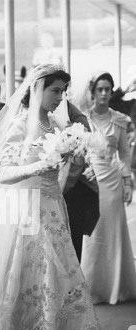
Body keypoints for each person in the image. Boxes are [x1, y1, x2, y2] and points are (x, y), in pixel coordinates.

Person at [0, 64, 118, 330]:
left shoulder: (57, 124)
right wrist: (38, 165)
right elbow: (1, 173)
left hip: (51, 208)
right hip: (26, 212)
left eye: (63, 91)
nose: (59, 97)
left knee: (58, 278)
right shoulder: (20, 124)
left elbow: (60, 176)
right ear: (36, 90)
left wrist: (71, 160)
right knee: (30, 278)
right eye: (54, 90)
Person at [80, 71, 136, 305]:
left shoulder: (120, 120)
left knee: (112, 233)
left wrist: (128, 181)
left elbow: (124, 153)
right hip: (88, 180)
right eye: (100, 89)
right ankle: (90, 287)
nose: (104, 93)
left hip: (112, 182)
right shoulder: (82, 119)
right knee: (92, 234)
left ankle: (116, 288)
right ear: (92, 92)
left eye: (108, 89)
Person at [62, 102, 100, 262]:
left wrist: (57, 189)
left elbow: (78, 160)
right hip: (45, 189)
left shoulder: (77, 117)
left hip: (72, 189)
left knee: (71, 246)